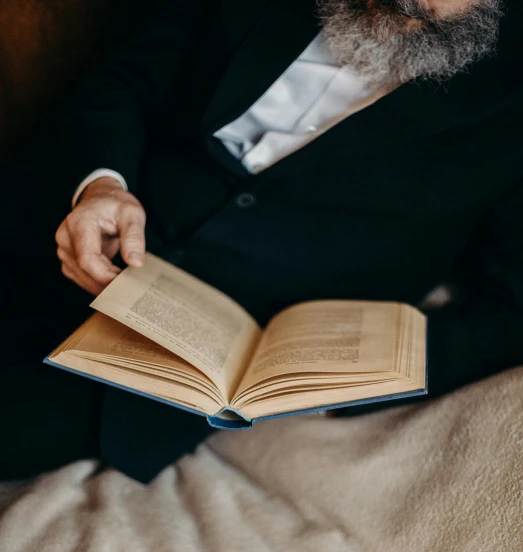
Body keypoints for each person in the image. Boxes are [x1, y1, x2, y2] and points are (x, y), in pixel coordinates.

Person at [2, 0, 523, 482]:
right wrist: (100, 185)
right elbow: (127, 81)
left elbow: (510, 310)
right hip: (51, 226)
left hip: (169, 377)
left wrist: (369, 375)